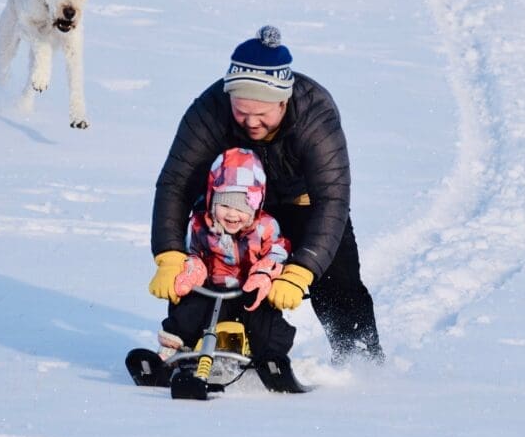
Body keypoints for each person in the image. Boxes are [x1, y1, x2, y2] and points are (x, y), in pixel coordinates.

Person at [149, 25, 384, 365]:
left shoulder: (314, 116)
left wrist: (301, 269)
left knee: (336, 277)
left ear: (284, 101)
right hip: (234, 204)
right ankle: (198, 342)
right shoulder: (210, 110)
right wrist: (169, 255)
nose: (250, 122)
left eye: (261, 114)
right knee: (207, 261)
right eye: (241, 112)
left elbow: (331, 200)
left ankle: (358, 357)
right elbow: (176, 182)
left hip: (301, 204)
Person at [154, 147, 296, 365]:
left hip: (249, 292)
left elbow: (278, 251)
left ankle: (271, 358)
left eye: (241, 208)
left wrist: (264, 271)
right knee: (190, 310)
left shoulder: (266, 227)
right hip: (213, 291)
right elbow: (190, 251)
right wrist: (193, 267)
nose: (232, 214)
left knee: (266, 325)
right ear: (212, 199)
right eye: (225, 205)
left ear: (255, 206)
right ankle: (174, 349)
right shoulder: (200, 225)